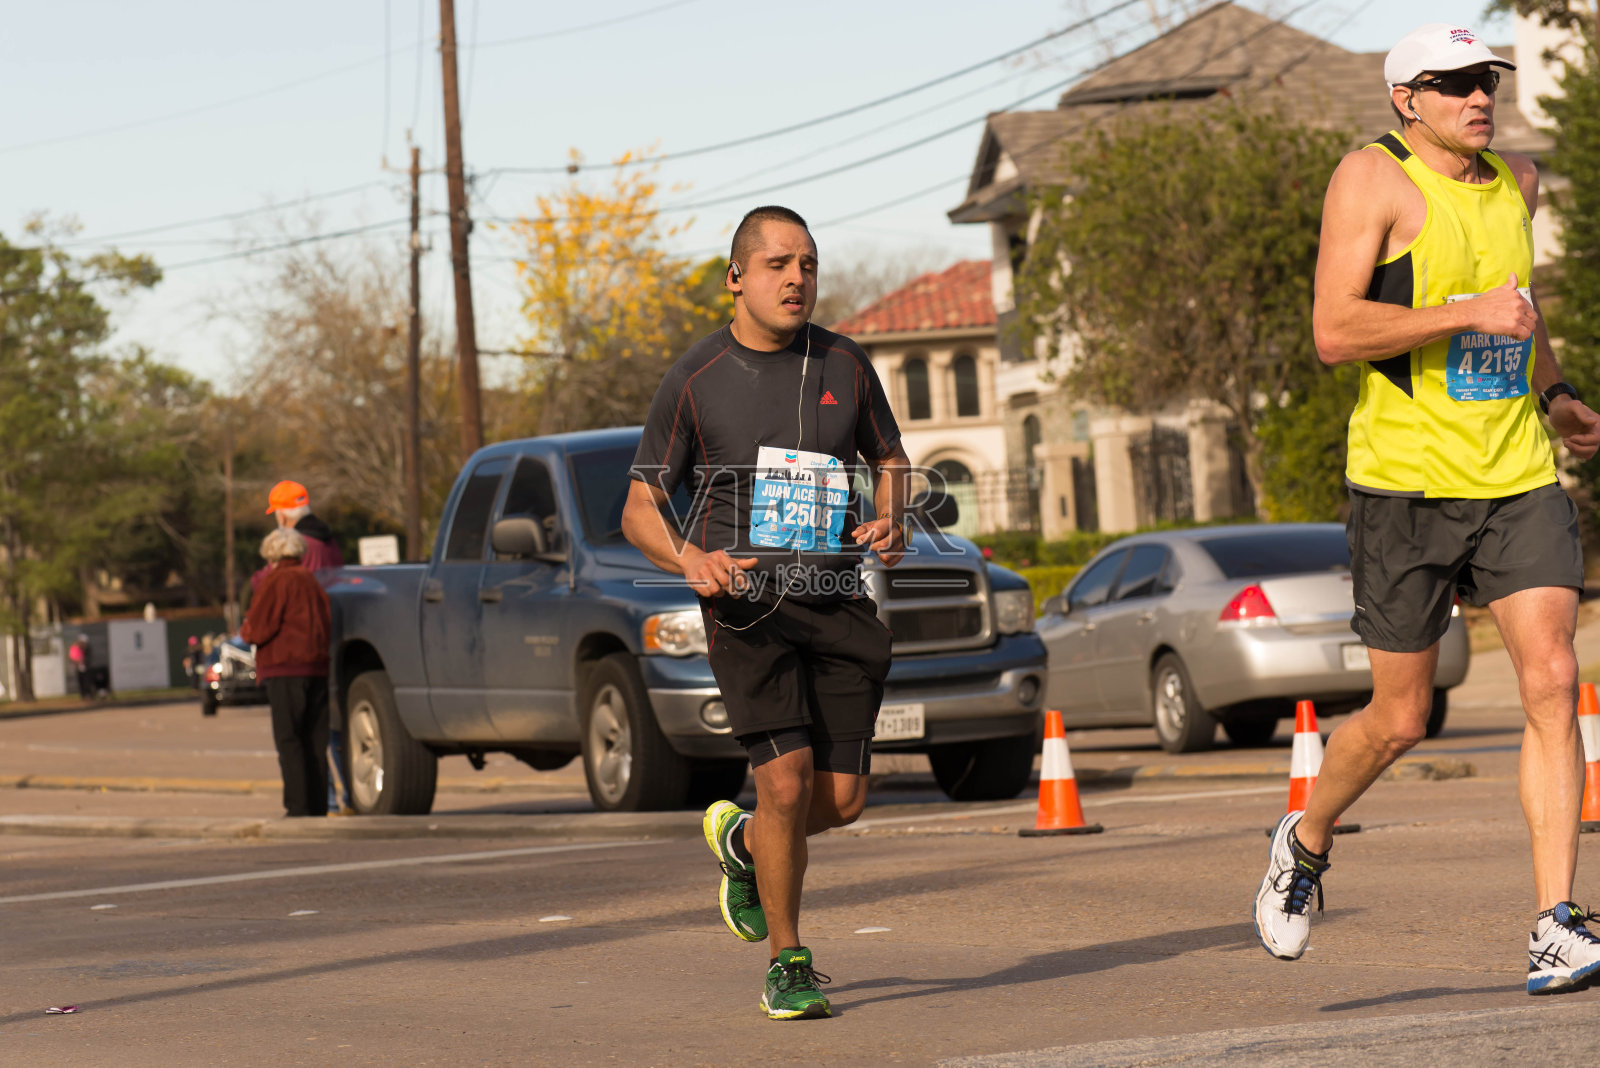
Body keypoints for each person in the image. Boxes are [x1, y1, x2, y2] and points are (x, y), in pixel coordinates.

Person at [1254, 22, 1600, 995]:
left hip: (1516, 474)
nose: (1475, 96)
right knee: (1402, 716)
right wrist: (1463, 314)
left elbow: (1519, 309)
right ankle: (1306, 839)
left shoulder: (1520, 182)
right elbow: (1332, 330)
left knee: (1549, 674)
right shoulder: (1372, 178)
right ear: (1406, 100)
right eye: (1449, 84)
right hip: (1404, 482)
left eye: (1483, 79)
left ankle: (1554, 922)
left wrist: (1555, 391)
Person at [623, 204, 909, 1020]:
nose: (797, 279)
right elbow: (640, 506)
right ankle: (789, 961)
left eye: (809, 264)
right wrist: (691, 558)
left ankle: (743, 844)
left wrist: (890, 515)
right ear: (737, 278)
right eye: (780, 264)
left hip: (835, 598)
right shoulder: (696, 378)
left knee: (842, 801)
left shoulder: (848, 365)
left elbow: (889, 458)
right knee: (784, 784)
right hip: (745, 606)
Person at [257, 479, 353, 814]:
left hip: (293, 654)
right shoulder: (330, 543)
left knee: (299, 737)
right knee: (332, 730)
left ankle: (317, 802)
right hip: (331, 644)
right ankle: (353, 794)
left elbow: (271, 613)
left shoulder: (299, 552)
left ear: (284, 515)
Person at [241, 528, 333, 818]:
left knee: (289, 739)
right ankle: (318, 804)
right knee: (316, 742)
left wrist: (245, 630)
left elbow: (256, 628)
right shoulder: (312, 582)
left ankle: (298, 806)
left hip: (284, 668)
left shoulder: (274, 582)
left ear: (272, 553)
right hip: (317, 667)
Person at [68, 634, 92, 699]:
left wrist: (83, 661)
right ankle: (83, 695)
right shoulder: (77, 648)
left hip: (86, 667)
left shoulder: (87, 649)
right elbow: (73, 656)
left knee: (86, 681)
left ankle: (88, 694)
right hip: (78, 667)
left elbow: (88, 658)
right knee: (80, 681)